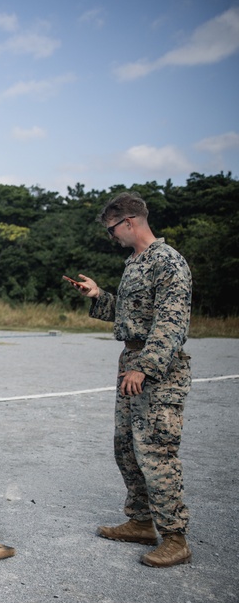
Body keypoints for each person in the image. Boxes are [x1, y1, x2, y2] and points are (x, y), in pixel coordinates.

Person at [64, 191, 193, 568]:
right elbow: (129, 315)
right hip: (131, 361)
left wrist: (145, 366)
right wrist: (98, 295)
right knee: (127, 448)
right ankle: (140, 521)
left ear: (130, 222)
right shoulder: (135, 262)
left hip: (157, 370)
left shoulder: (167, 261)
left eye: (112, 230)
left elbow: (171, 323)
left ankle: (175, 537)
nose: (111, 237)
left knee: (156, 451)